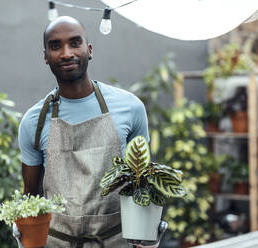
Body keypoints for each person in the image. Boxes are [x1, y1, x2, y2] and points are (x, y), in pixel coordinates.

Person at [16, 16, 166, 248]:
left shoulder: (130, 107)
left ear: (90, 49)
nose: (66, 53)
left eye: (75, 43)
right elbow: (31, 195)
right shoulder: (33, 121)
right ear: (45, 56)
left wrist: (147, 236)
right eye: (56, 46)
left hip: (117, 241)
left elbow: (142, 181)